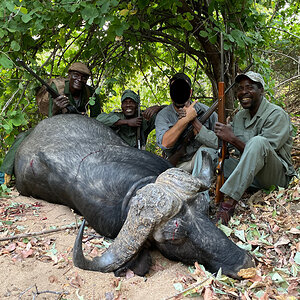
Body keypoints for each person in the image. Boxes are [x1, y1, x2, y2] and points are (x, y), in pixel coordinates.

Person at [214, 71, 296, 224]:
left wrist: (232, 138)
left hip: (274, 177)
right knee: (212, 155)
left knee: (258, 142)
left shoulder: (277, 114)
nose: (243, 92)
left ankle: (228, 205)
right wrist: (194, 124)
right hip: (252, 176)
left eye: (250, 87)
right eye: (240, 88)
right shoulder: (240, 116)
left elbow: (261, 152)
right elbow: (219, 139)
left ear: (261, 90)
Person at [0, 62, 101, 185]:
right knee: (23, 136)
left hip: (81, 129)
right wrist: (57, 107)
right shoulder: (57, 88)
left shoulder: (91, 92)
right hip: (57, 125)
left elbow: (97, 119)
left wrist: (83, 118)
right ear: (69, 75)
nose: (79, 80)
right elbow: (50, 120)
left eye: (83, 77)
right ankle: (4, 175)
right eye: (76, 75)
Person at [155, 72, 218, 177]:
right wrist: (185, 120)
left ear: (190, 92)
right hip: (178, 166)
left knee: (205, 152)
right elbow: (165, 143)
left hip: (200, 161)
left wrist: (195, 122)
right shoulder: (163, 115)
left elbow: (220, 142)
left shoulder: (206, 111)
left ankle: (201, 192)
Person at [96, 89, 164, 148]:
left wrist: (159, 108)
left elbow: (171, 110)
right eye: (125, 103)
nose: (128, 105)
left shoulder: (144, 117)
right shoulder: (118, 116)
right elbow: (99, 119)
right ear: (121, 106)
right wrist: (126, 122)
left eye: (131, 102)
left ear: (137, 106)